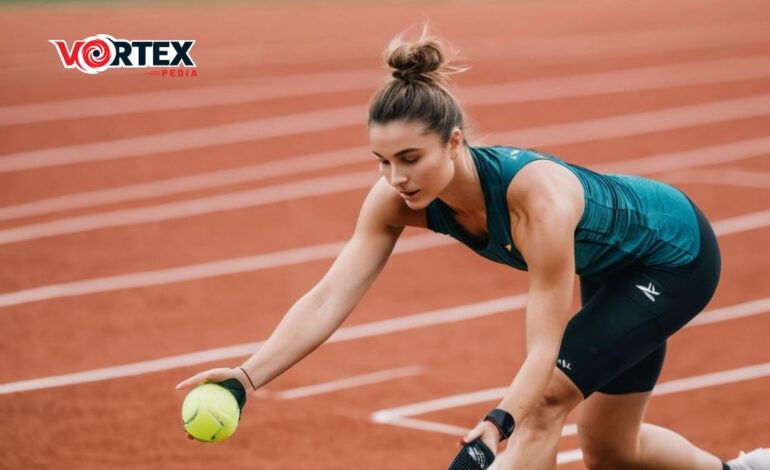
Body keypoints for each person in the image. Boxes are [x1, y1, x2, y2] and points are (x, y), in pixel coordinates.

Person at [176, 29, 769, 470]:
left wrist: (495, 426)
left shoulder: (537, 200)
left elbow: (543, 344)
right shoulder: (394, 201)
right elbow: (332, 295)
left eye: (411, 159)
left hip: (673, 256)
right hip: (612, 271)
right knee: (612, 454)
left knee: (545, 404)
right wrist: (247, 379)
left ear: (454, 142)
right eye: (383, 162)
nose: (397, 179)